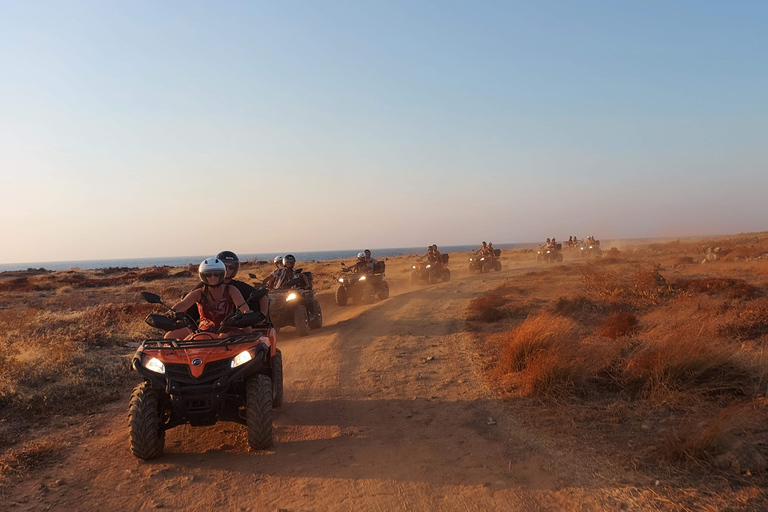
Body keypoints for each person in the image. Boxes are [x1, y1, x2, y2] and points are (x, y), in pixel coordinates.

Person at [165, 258, 253, 340]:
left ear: (222, 274)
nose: (213, 277)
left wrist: (248, 314)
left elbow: (244, 308)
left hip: (228, 332)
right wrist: (167, 315)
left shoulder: (231, 290)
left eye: (217, 274)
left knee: (246, 330)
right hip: (203, 333)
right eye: (208, 274)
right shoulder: (199, 293)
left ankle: (254, 349)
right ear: (203, 275)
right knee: (169, 337)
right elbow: (183, 305)